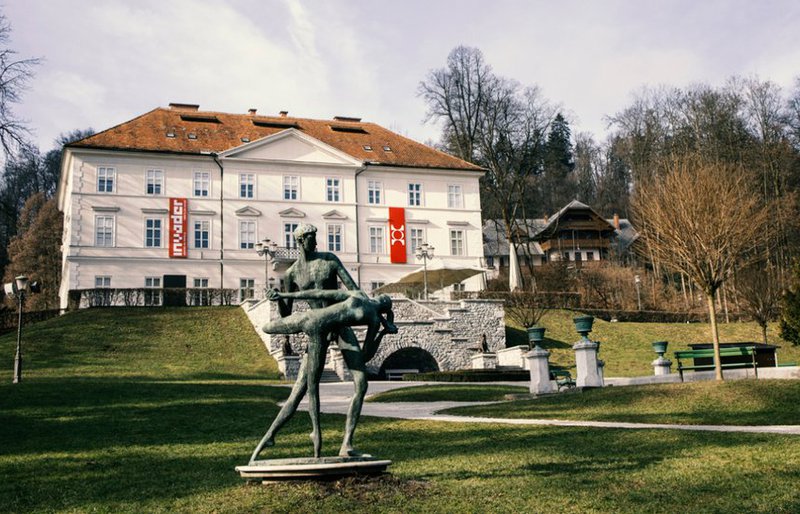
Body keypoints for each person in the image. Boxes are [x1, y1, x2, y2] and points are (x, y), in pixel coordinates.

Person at [249, 224, 379, 462]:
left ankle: (347, 444)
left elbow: (354, 291)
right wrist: (277, 298)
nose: (315, 242)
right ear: (301, 241)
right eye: (311, 238)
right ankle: (268, 438)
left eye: (315, 237)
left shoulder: (329, 260)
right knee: (298, 392)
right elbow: (287, 315)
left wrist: (371, 312)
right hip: (316, 330)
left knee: (361, 383)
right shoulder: (291, 274)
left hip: (339, 323)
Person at [250, 289, 397, 461]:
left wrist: (286, 295)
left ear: (383, 306)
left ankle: (277, 438)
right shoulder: (368, 309)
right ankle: (308, 435)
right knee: (309, 390)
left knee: (309, 389)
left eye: (387, 299)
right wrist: (284, 295)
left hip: (310, 319)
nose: (385, 297)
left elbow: (321, 293)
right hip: (316, 329)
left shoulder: (365, 305)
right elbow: (321, 293)